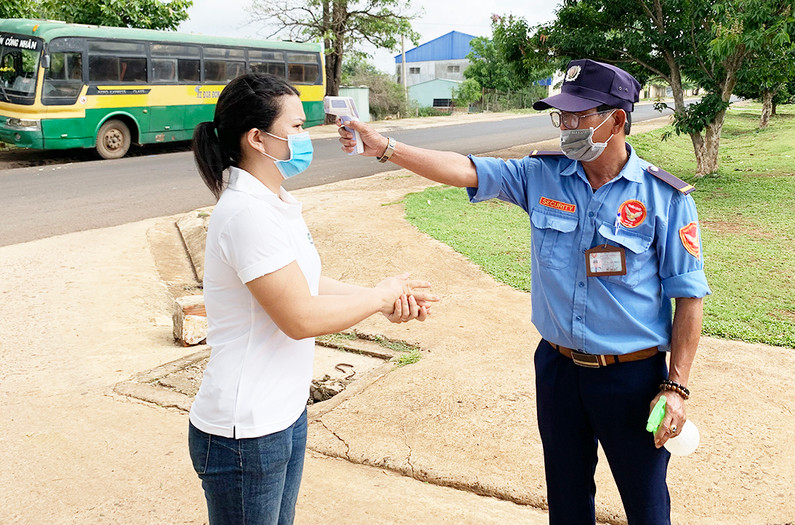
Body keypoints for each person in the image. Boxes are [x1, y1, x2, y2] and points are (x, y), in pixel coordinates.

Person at [337, 59, 711, 524]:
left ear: (616, 120)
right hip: (558, 370)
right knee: (566, 500)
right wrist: (387, 147)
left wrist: (675, 387)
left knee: (646, 505)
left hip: (632, 378)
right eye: (562, 117)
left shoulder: (665, 197)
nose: (567, 127)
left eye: (578, 117)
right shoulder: (541, 175)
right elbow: (464, 168)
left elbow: (688, 297)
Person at [188, 72, 437, 525]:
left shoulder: (274, 202)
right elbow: (300, 317)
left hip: (283, 412)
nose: (307, 137)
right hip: (246, 429)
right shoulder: (246, 213)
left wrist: (383, 297)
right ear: (258, 138)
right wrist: (378, 299)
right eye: (298, 126)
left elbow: (308, 282)